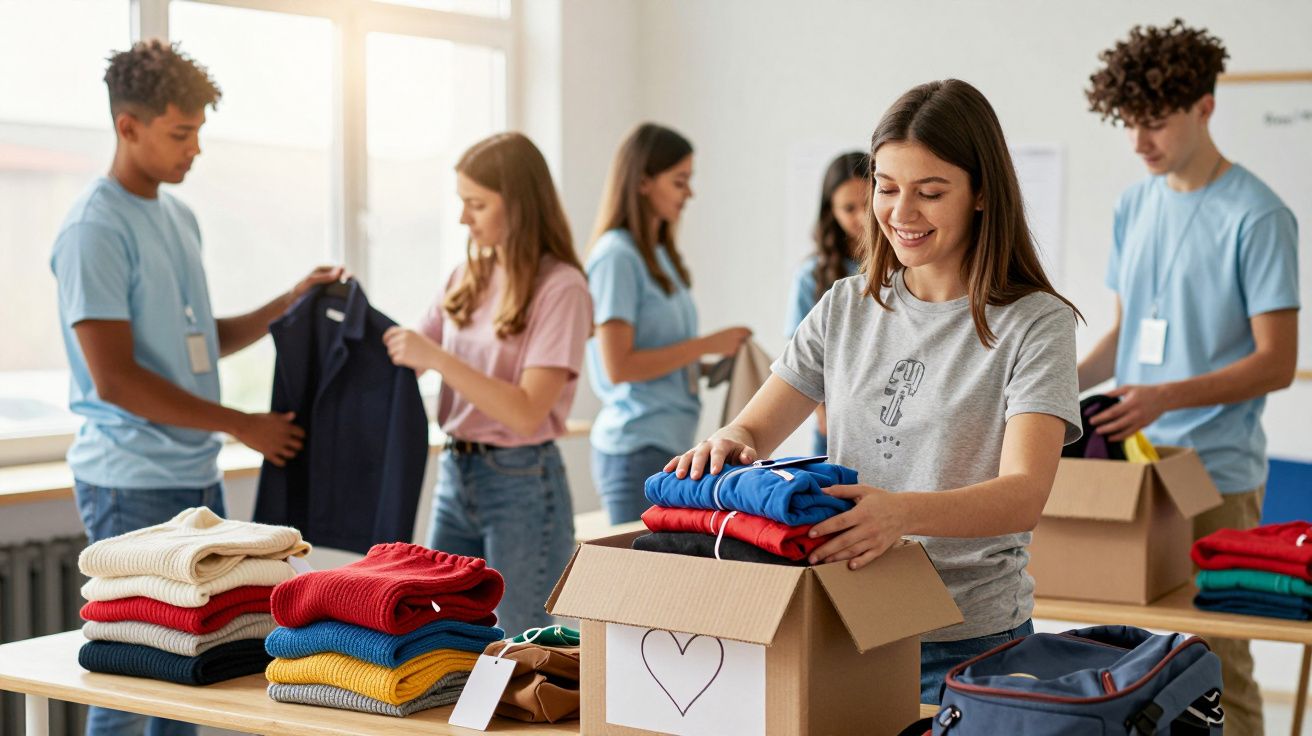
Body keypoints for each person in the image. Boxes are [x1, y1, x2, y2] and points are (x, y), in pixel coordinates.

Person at [666, 80, 1082, 704]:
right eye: (886, 188)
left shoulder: (1034, 322)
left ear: (982, 196)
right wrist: (729, 440)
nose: (900, 214)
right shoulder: (845, 307)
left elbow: (1023, 494)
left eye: (930, 192)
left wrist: (899, 512)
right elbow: (754, 429)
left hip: (968, 643)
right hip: (845, 621)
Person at [50, 40, 342, 736]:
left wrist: (288, 302)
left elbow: (195, 337)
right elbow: (116, 377)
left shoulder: (177, 217)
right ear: (128, 127)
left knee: (191, 679)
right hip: (130, 481)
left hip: (193, 479)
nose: (195, 151)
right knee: (128, 685)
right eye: (181, 134)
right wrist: (241, 423)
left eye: (199, 133)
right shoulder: (95, 228)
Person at [1079, 20, 1299, 735]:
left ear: (1205, 106)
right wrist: (1049, 390)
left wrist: (1162, 397)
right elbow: (1123, 337)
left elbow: (1275, 361)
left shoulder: (1259, 216)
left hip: (1214, 471)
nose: (1140, 144)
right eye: (1129, 126)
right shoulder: (1133, 204)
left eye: (1156, 125)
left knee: (1217, 656)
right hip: (1135, 468)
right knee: (1131, 649)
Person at [382, 132, 592, 636]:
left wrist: (437, 356)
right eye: (461, 203)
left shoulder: (562, 288)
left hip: (522, 483)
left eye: (476, 204)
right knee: (434, 634)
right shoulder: (464, 277)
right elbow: (404, 359)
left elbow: (526, 411)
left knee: (518, 640)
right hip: (456, 473)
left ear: (518, 205)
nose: (462, 218)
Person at [585, 122, 751, 524]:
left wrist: (711, 365)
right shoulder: (616, 257)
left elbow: (658, 357)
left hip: (668, 443)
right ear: (643, 182)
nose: (689, 193)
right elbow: (619, 365)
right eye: (680, 181)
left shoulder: (658, 256)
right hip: (635, 447)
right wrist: (705, 344)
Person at [785, 151, 871, 456]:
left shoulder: (903, 267)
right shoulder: (812, 275)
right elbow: (799, 354)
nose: (862, 217)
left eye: (868, 204)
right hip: (834, 418)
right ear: (831, 212)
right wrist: (823, 415)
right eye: (849, 208)